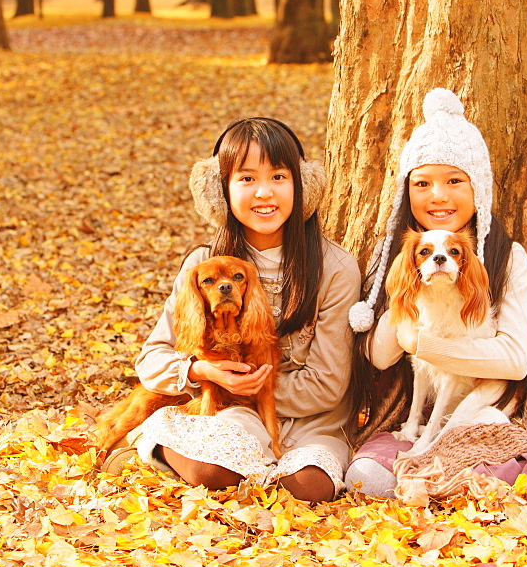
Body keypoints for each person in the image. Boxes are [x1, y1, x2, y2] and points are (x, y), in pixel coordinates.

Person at [101, 117, 361, 503]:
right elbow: (152, 358)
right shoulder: (203, 265)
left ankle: (202, 452)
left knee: (309, 489)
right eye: (246, 179)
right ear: (220, 190)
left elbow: (327, 385)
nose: (264, 193)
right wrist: (201, 371)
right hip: (232, 413)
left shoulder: (335, 267)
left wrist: (254, 390)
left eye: (278, 177)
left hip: (312, 420)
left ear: (302, 185)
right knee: (214, 471)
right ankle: (147, 436)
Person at [344, 88, 527, 500]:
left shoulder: (508, 256)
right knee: (367, 477)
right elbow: (379, 357)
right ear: (406, 192)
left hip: (498, 402)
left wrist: (425, 344)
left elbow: (515, 362)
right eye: (422, 183)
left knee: (487, 464)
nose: (438, 195)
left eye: (454, 181)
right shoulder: (397, 255)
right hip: (409, 409)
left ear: (478, 189)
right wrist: (403, 305)